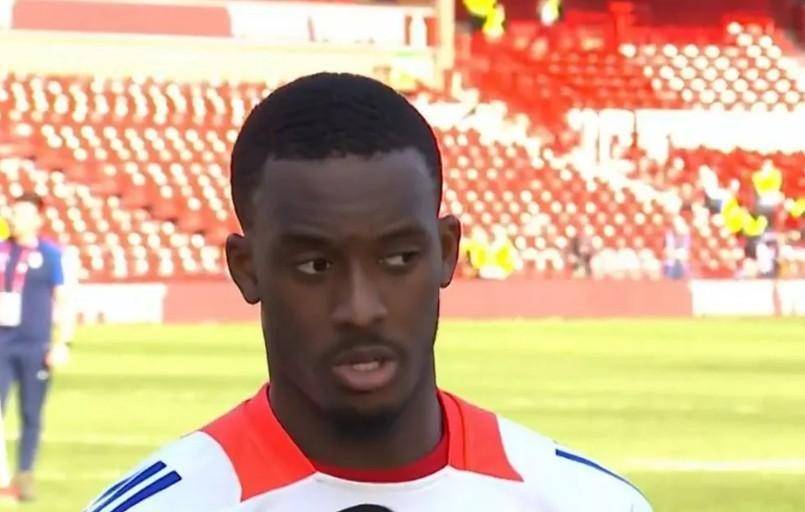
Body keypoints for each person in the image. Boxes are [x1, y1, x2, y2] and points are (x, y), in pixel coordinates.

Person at [85, 73, 652, 511]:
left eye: (398, 259)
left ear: (446, 252)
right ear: (246, 269)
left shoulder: (589, 502)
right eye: (316, 265)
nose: (361, 309)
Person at [0, 192, 72, 501]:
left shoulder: (50, 254)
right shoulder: (2, 250)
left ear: (37, 219)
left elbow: (63, 300)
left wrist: (62, 342)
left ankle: (25, 473)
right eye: (13, 213)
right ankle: (2, 477)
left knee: (30, 413)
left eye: (22, 214)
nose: (15, 219)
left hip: (35, 345)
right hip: (2, 343)